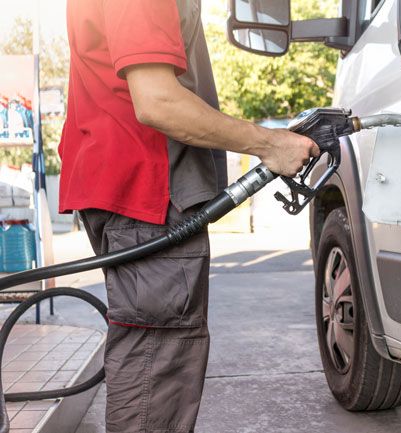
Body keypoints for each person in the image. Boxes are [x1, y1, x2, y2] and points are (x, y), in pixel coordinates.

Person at [58, 1, 319, 432]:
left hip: (133, 190)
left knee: (155, 353)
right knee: (155, 361)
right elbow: (158, 101)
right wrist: (269, 143)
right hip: (148, 192)